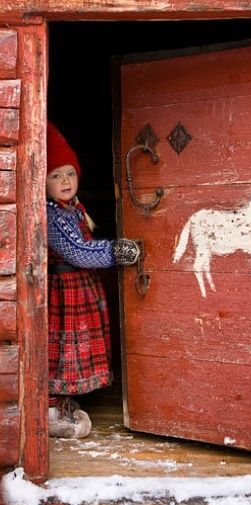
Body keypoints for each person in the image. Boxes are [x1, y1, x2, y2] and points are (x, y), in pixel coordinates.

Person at [46, 122, 139, 438]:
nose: (65, 181)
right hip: (64, 291)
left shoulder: (73, 208)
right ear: (42, 180)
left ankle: (64, 398)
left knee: (74, 345)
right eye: (56, 175)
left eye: (69, 173)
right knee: (62, 347)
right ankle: (50, 405)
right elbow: (77, 251)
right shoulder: (53, 216)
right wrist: (115, 251)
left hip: (78, 289)